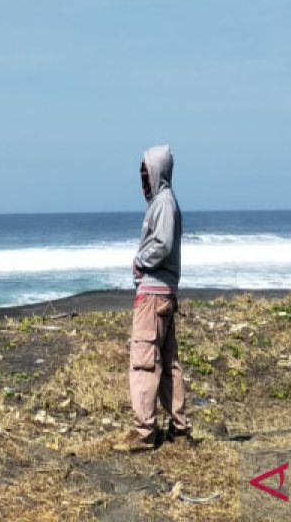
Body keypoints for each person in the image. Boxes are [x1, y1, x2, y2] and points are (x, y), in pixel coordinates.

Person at [115, 144, 191, 452]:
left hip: (153, 294)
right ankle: (179, 428)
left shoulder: (162, 203)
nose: (143, 180)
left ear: (158, 172)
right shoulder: (166, 202)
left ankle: (144, 433)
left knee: (144, 361)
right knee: (168, 362)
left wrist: (139, 262)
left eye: (146, 173)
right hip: (165, 293)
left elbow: (161, 243)